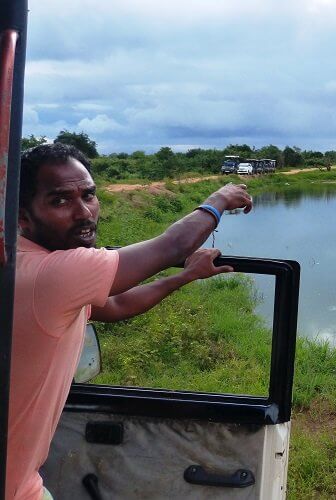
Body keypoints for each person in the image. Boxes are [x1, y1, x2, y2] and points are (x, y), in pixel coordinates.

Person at [7, 143, 253, 500]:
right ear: (22, 216)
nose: (84, 213)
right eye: (60, 201)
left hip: (22, 479)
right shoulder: (52, 273)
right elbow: (173, 245)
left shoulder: (24, 259)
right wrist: (220, 197)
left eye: (89, 195)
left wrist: (183, 277)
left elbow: (116, 304)